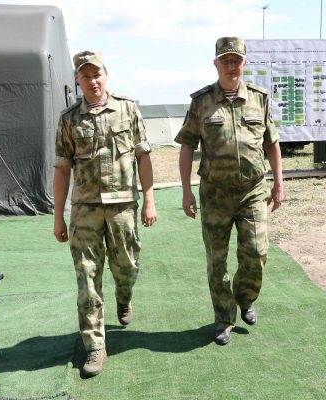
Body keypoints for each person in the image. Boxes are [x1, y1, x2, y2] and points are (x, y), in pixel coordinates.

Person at [53, 50, 157, 377]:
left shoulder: (127, 109)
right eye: (85, 76)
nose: (92, 81)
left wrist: (150, 199)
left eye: (96, 74)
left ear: (106, 74)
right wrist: (59, 215)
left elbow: (144, 156)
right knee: (87, 276)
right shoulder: (69, 119)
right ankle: (95, 345)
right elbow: (61, 169)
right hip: (85, 208)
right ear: (78, 81)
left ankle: (123, 297)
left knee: (126, 267)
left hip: (124, 204)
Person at [175, 37, 284, 345]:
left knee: (256, 253)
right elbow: (186, 147)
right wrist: (186, 191)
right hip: (215, 194)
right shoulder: (202, 102)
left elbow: (272, 144)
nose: (231, 66)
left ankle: (245, 297)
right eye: (226, 61)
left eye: (236, 60)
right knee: (217, 260)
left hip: (252, 191)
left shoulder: (259, 99)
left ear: (244, 63)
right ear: (216, 64)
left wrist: (279, 183)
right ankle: (224, 319)